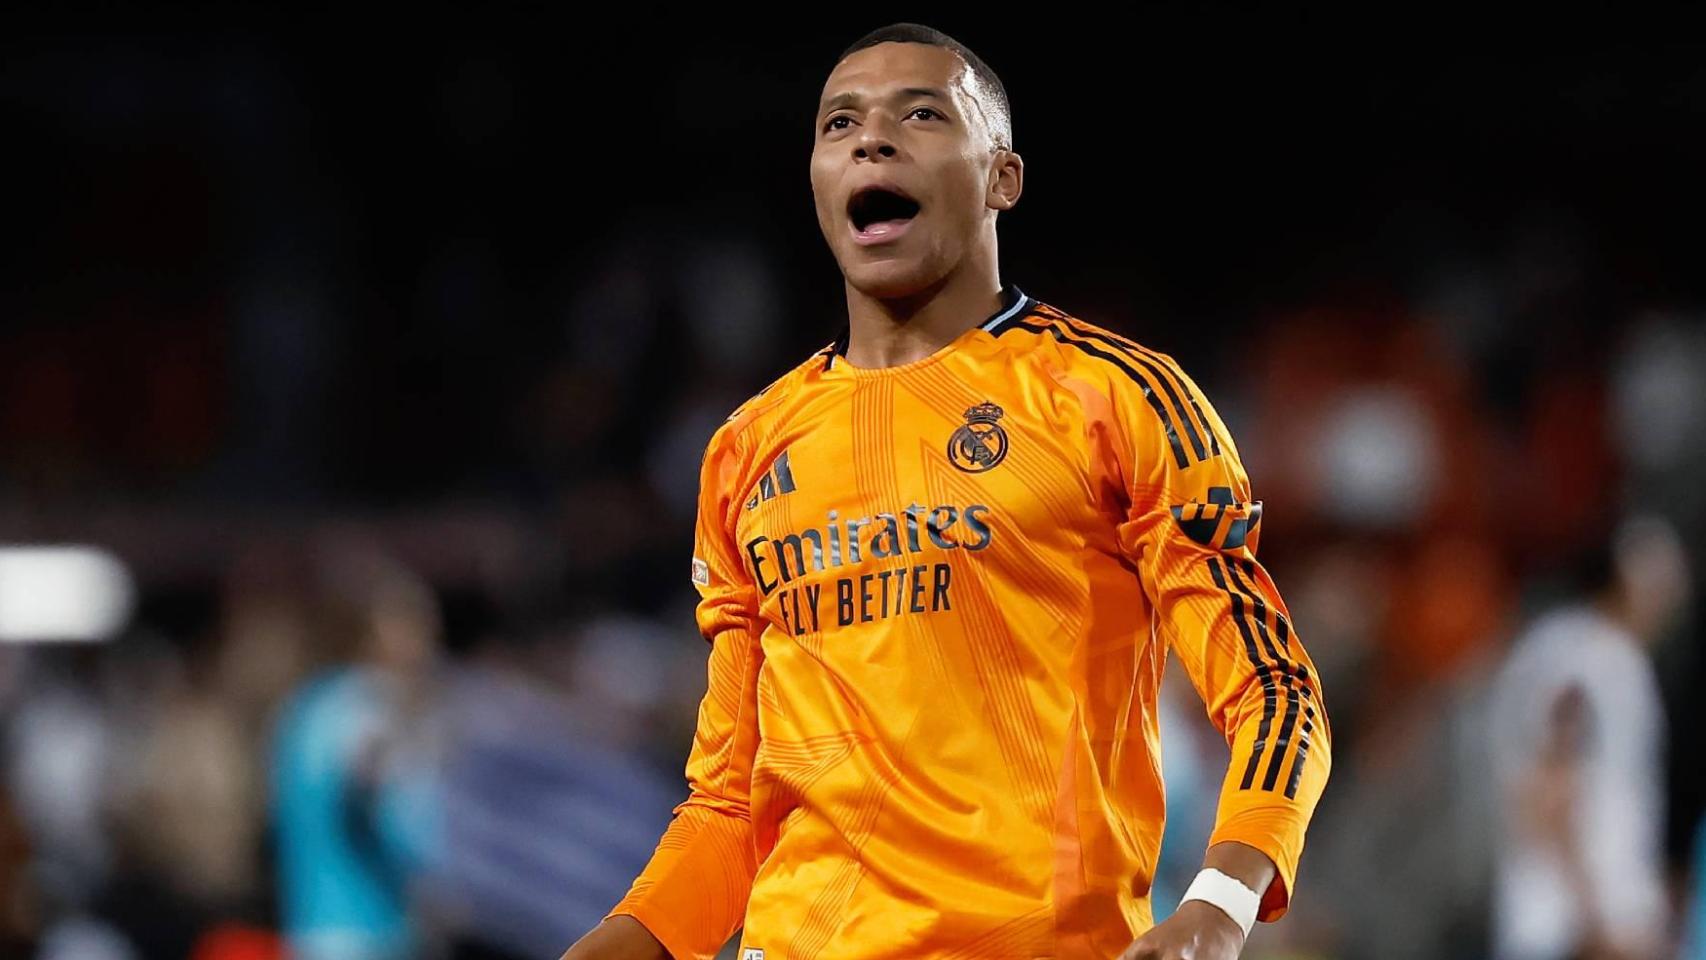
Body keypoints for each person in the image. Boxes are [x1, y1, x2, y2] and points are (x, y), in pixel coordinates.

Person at [563, 23, 1332, 960]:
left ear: (1003, 177)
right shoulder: (748, 449)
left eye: (920, 115)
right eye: (840, 123)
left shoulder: (1118, 398)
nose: (870, 142)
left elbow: (1275, 690)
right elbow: (730, 805)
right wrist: (617, 943)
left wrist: (1217, 908)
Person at [1488, 516, 1689, 960]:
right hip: (1568, 926)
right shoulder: (1585, 657)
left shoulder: (1588, 650)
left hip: (1581, 921)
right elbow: (1548, 790)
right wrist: (1598, 919)